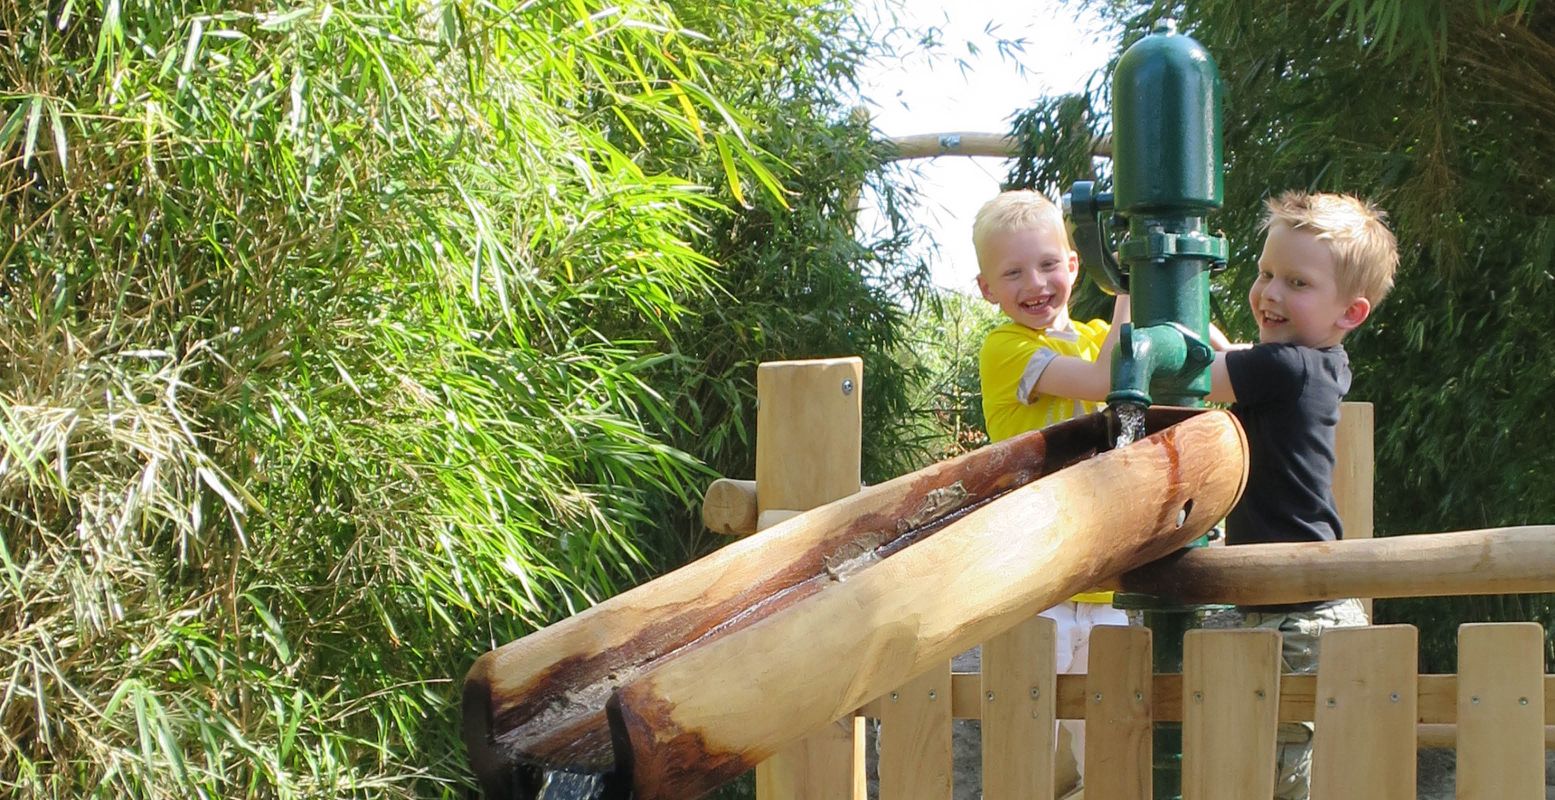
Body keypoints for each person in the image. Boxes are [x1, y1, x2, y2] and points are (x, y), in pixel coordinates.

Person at [1205, 190, 1400, 800]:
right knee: (1287, 769)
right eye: (1265, 273)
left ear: (1352, 312)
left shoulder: (1285, 368)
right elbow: (1234, 358)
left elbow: (1191, 373)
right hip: (1304, 605)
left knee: (1278, 774)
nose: (1270, 293)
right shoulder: (1322, 362)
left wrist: (1054, 369)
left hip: (1295, 612)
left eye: (1297, 282)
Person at [974, 189, 1130, 782]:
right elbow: (1104, 379)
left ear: (1072, 265)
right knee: (1025, 753)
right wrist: (1128, 291)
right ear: (988, 289)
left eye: (1046, 264)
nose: (1034, 283)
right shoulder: (1008, 348)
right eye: (1012, 272)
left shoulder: (1094, 332)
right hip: (1035, 583)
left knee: (1110, 753)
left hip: (1100, 579)